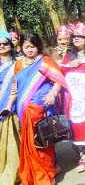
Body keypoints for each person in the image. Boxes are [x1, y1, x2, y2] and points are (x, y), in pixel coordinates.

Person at [14, 32, 70, 185]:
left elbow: (59, 80)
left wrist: (52, 93)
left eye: (33, 47)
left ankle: (46, 175)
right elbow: (16, 87)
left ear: (38, 47)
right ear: (21, 48)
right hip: (24, 110)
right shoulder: (18, 64)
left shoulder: (45, 61)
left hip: (42, 108)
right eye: (26, 47)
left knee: (42, 142)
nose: (30, 50)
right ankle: (34, 174)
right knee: (30, 144)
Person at [60, 22, 85, 173]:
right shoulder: (68, 55)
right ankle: (83, 157)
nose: (77, 38)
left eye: (80, 36)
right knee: (77, 126)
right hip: (75, 98)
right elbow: (60, 72)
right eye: (74, 36)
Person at [0, 31, 20, 185]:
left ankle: (18, 171)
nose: (1, 46)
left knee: (16, 141)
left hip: (15, 107)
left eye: (5, 43)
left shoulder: (19, 62)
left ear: (11, 44)